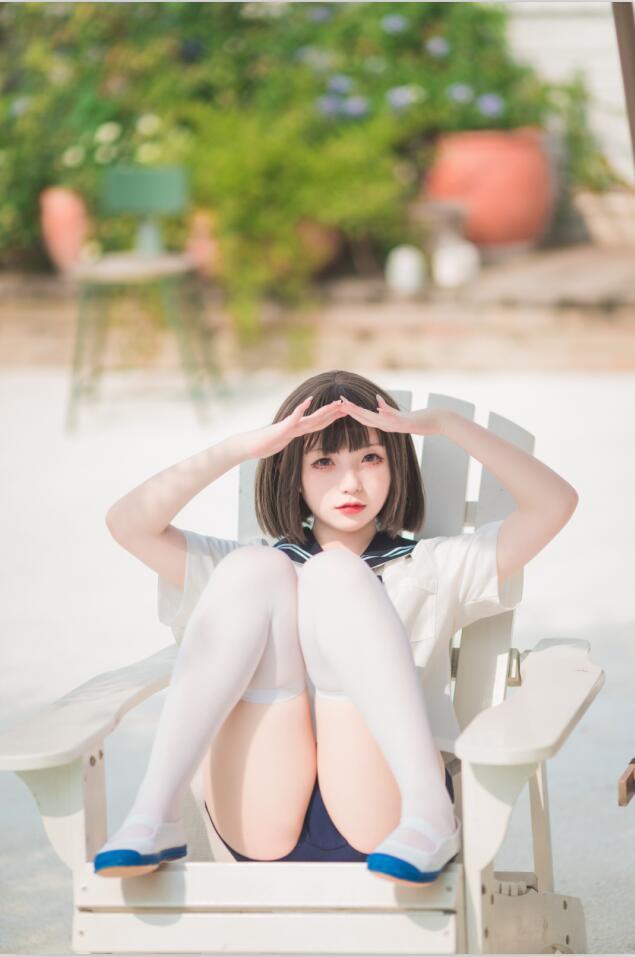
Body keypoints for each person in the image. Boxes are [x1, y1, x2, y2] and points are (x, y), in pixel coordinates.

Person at [94, 369, 578, 884]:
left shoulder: (433, 568)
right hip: (260, 813)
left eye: (370, 458)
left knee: (335, 572)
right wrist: (243, 448)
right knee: (254, 567)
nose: (351, 483)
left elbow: (554, 504)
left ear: (395, 467)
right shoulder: (244, 573)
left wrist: (444, 424)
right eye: (323, 462)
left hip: (389, 815)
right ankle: (153, 815)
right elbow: (129, 523)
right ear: (294, 474)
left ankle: (430, 813)